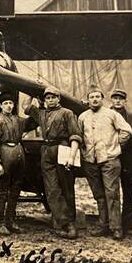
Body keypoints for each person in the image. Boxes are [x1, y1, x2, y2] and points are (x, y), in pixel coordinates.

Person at [25, 86, 82, 239]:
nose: (50, 100)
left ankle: (71, 224)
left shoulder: (67, 113)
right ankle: (61, 222)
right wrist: (31, 94)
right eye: (47, 98)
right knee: (51, 188)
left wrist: (72, 155)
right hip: (46, 150)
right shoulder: (42, 113)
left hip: (62, 148)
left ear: (58, 99)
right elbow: (26, 108)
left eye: (53, 97)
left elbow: (75, 136)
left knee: (66, 187)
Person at [79, 85, 132, 240]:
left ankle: (116, 227)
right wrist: (84, 151)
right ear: (88, 100)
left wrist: (117, 144)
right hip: (90, 160)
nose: (95, 99)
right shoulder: (83, 117)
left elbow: (127, 130)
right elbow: (79, 135)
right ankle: (103, 225)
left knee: (112, 193)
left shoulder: (112, 114)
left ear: (102, 99)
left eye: (97, 96)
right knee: (99, 195)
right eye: (92, 97)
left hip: (109, 160)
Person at [0, 93, 37, 236]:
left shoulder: (17, 120)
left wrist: (32, 106)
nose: (8, 105)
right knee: (3, 190)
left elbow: (33, 123)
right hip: (4, 154)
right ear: (0, 105)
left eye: (10, 103)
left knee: (16, 189)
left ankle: (10, 220)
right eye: (5, 103)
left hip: (18, 154)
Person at [109, 88, 132, 235]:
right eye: (115, 98)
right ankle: (113, 223)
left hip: (128, 158)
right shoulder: (106, 114)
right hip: (111, 157)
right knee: (111, 191)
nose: (117, 101)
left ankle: (127, 223)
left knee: (129, 190)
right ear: (111, 100)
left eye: (120, 98)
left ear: (125, 101)